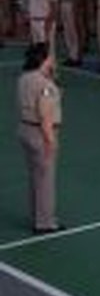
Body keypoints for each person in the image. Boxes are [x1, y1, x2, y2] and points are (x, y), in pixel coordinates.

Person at [17, 43, 65, 234]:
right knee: (46, 180)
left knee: (35, 177)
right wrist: (51, 141)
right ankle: (45, 222)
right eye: (50, 57)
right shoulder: (45, 85)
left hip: (24, 129)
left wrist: (52, 79)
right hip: (40, 133)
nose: (53, 60)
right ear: (43, 60)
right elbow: (45, 116)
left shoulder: (24, 78)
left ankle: (36, 215)